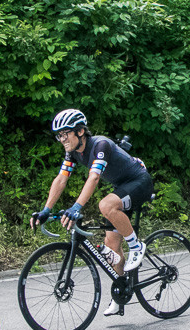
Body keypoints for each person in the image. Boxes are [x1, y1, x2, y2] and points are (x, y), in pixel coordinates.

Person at [29, 109, 154, 316]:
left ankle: (136, 246)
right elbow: (61, 179)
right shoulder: (73, 152)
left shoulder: (100, 145)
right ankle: (120, 293)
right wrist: (45, 210)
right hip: (121, 187)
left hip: (139, 182)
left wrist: (76, 207)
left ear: (79, 132)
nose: (61, 139)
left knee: (105, 205)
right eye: (58, 135)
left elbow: (94, 178)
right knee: (111, 249)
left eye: (65, 134)